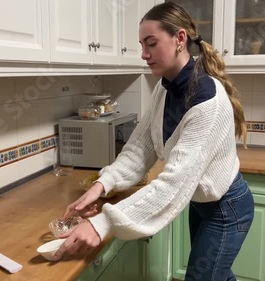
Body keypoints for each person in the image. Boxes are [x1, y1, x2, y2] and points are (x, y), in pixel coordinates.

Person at [54, 2, 254, 280]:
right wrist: (102, 184)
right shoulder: (165, 86)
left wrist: (101, 224)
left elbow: (172, 185)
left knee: (201, 277)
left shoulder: (208, 100)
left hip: (227, 207)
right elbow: (140, 148)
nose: (144, 54)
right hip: (201, 202)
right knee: (214, 275)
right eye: (142, 45)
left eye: (151, 44)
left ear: (180, 39)